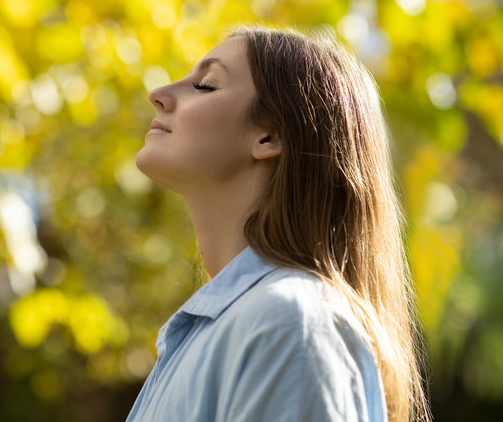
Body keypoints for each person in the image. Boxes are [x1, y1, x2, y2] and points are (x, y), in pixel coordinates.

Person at [128, 25, 432, 422]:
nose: (159, 94)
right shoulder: (227, 328)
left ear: (270, 136)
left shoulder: (291, 323)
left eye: (205, 85)